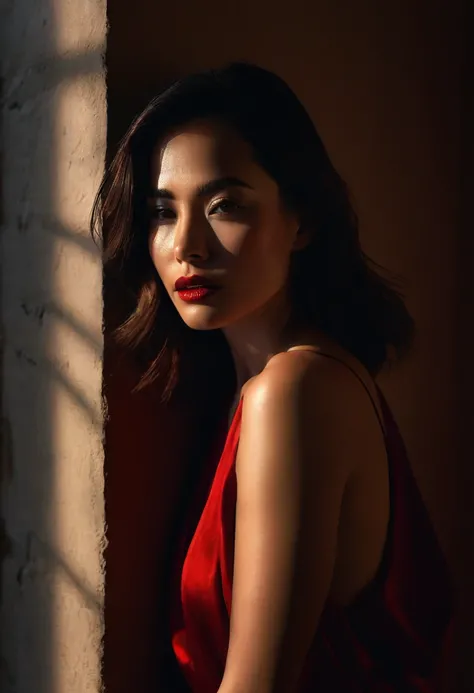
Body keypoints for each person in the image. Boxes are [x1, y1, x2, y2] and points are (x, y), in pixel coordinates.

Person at [92, 62, 453, 693]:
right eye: (161, 210)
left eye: (224, 204)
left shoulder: (296, 391)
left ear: (303, 219)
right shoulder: (254, 390)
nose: (187, 245)